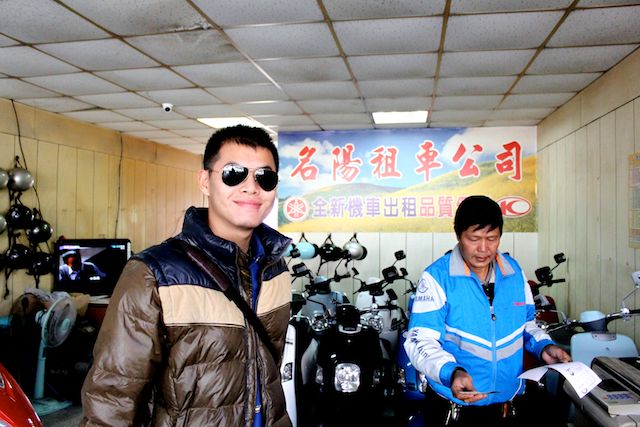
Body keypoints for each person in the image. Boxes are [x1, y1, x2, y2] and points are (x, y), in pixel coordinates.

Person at [80, 125, 292, 426]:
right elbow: (113, 396)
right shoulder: (153, 273)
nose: (251, 187)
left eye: (264, 177)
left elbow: (265, 369)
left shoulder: (276, 270)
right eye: (234, 174)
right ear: (205, 181)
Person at [404, 195, 571, 426]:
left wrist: (544, 346)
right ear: (458, 235)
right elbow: (420, 340)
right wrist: (451, 372)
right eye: (474, 239)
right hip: (454, 409)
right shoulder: (437, 277)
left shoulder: (514, 273)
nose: (483, 249)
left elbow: (526, 325)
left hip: (508, 404)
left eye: (492, 239)